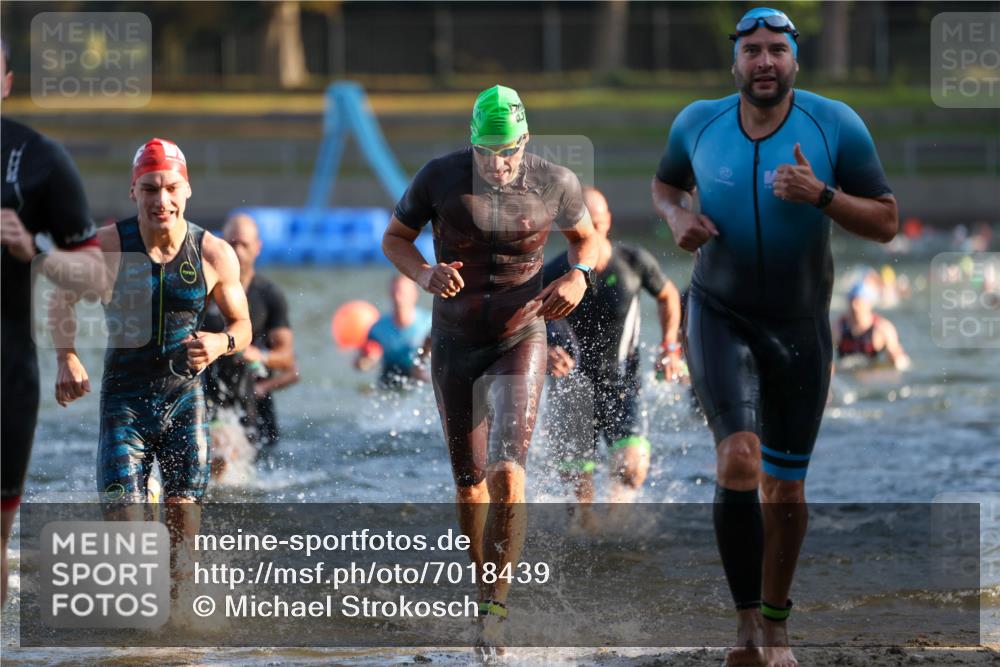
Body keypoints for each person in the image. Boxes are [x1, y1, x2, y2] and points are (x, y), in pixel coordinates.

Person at [651, 8, 898, 667]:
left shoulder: (834, 124)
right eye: (752, 50)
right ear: (735, 62)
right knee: (737, 456)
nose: (764, 61)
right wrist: (677, 215)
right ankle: (745, 631)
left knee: (785, 488)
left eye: (777, 51)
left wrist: (822, 196)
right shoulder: (696, 123)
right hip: (718, 309)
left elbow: (887, 222)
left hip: (799, 325)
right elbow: (666, 182)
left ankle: (778, 623)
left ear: (795, 61)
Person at [381, 84, 600, 655]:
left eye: (507, 152)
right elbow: (395, 239)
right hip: (455, 342)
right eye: (486, 153)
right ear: (470, 142)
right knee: (469, 484)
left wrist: (579, 276)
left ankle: (495, 609)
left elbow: (587, 241)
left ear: (524, 141)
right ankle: (483, 587)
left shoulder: (556, 182)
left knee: (507, 473)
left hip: (519, 336)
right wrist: (423, 273)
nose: (497, 165)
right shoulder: (438, 177)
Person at [49, 138, 251, 591]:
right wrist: (67, 357)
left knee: (184, 552)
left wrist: (221, 342)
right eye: (150, 189)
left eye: (170, 188)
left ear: (187, 190)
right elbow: (60, 299)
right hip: (124, 405)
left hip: (184, 402)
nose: (162, 200)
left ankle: (180, 646)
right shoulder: (106, 247)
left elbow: (243, 326)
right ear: (133, 192)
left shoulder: (214, 252)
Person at [1, 37, 107, 603]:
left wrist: (35, 249)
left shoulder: (39, 161)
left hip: (6, 375)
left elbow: (96, 277)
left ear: (7, 81)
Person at [541, 187, 682, 524]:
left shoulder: (633, 261)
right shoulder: (553, 272)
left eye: (598, 221)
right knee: (580, 509)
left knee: (631, 471)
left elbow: (668, 295)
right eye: (583, 224)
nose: (592, 230)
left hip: (622, 383)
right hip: (570, 390)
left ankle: (617, 533)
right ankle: (592, 542)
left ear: (608, 222)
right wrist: (543, 351)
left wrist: (669, 346)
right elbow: (526, 321)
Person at [202, 212, 298, 464]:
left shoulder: (269, 296)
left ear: (257, 248)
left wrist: (259, 355)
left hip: (252, 402)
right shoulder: (204, 291)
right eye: (231, 243)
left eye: (244, 244)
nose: (237, 250)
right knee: (217, 457)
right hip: (207, 396)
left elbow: (288, 360)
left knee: (247, 476)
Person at [353, 275, 431, 389]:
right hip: (388, 379)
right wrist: (365, 362)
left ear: (414, 295)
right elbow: (362, 361)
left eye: (401, 293)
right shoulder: (377, 328)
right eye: (393, 293)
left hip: (420, 378)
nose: (397, 298)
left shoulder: (430, 323)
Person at [835, 281, 910, 370]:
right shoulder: (837, 327)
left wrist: (896, 358)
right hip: (846, 375)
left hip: (871, 376)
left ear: (868, 304)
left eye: (858, 301)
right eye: (851, 301)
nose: (854, 306)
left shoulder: (883, 329)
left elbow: (901, 361)